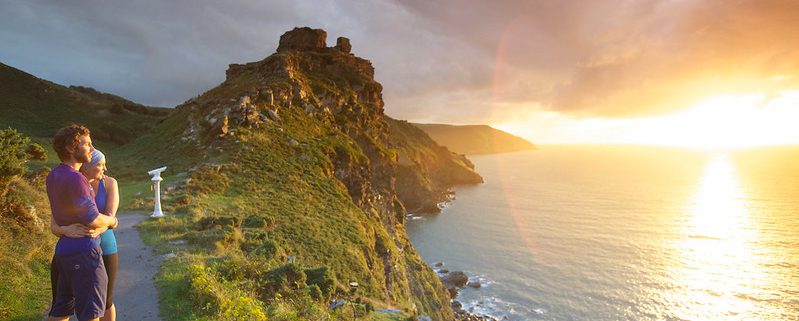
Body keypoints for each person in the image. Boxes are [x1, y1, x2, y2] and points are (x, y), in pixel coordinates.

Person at [46, 124, 118, 321]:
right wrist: (112, 220)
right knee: (91, 315)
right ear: (71, 147)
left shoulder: (53, 175)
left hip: (63, 253)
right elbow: (92, 218)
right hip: (84, 255)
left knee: (59, 312)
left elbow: (59, 216)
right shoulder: (77, 179)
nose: (92, 149)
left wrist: (63, 229)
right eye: (87, 144)